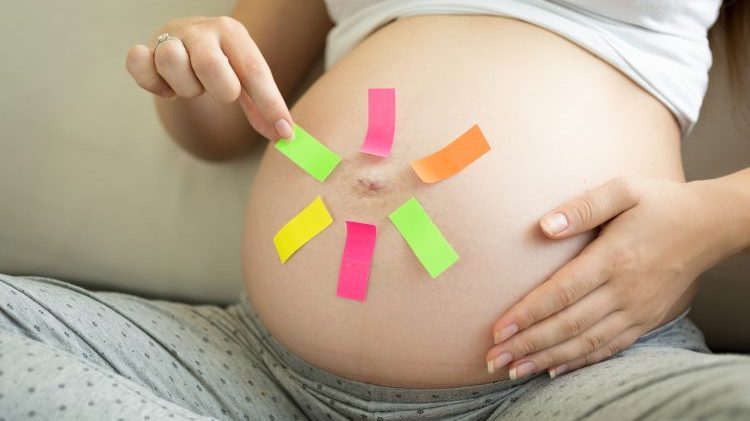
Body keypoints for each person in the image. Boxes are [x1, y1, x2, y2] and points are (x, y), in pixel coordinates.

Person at [2, 0, 749, 419]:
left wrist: (717, 215)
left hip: (570, 380)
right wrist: (189, 64)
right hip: (254, 376)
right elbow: (218, 128)